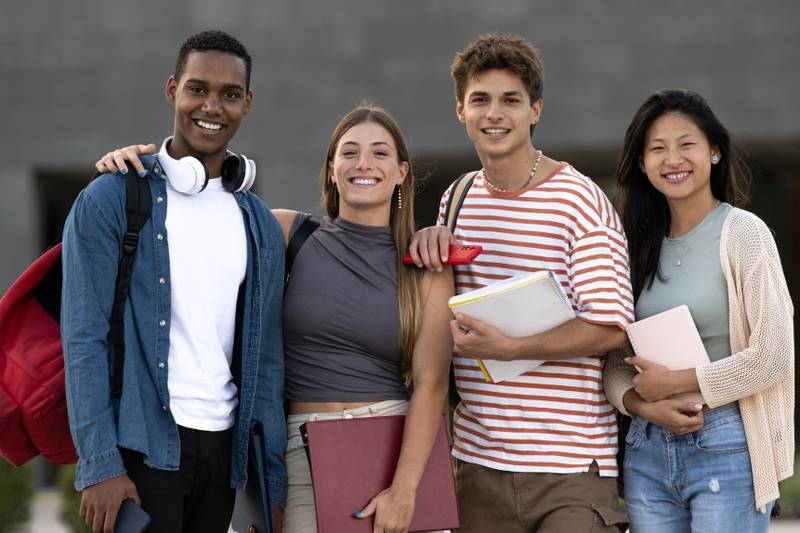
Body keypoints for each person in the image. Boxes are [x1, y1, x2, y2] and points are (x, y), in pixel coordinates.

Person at [94, 105, 454, 533]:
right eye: (350, 152)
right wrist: (136, 171)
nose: (364, 164)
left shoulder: (426, 264)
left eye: (379, 153)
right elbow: (191, 226)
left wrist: (405, 490)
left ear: (401, 173)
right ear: (332, 169)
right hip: (302, 454)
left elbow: (432, 384)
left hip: (397, 451)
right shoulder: (284, 233)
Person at [62, 30, 286, 533]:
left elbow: (266, 360)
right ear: (172, 90)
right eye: (197, 88)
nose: (212, 106)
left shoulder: (259, 224)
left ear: (247, 103)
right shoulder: (110, 199)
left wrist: (269, 483)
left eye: (230, 94)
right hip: (143, 447)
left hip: (226, 454)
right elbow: (83, 339)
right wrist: (100, 464)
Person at [408, 33, 632, 532]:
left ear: (535, 110)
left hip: (571, 469)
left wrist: (512, 347)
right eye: (480, 100)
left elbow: (611, 328)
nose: (495, 114)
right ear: (460, 111)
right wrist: (428, 241)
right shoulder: (457, 198)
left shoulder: (581, 202)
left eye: (511, 100)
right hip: (477, 465)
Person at [603, 89, 794, 532]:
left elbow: (773, 355)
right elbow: (614, 362)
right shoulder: (631, 248)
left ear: (713, 151)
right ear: (641, 163)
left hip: (728, 441)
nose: (673, 159)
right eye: (657, 148)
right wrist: (641, 405)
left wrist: (679, 382)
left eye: (686, 144)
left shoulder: (745, 233)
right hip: (646, 451)